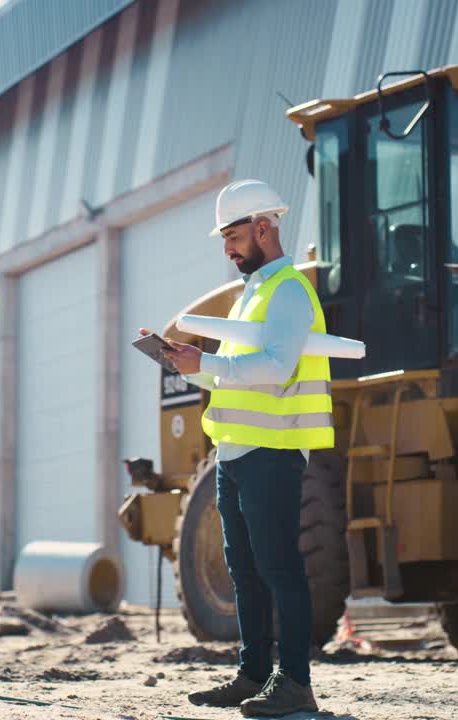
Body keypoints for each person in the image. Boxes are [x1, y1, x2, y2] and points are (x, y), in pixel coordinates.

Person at [146, 179, 334, 717]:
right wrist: (185, 360)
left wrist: (203, 363)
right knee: (245, 570)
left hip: (273, 452)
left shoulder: (291, 291)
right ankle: (253, 675)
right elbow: (233, 378)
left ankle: (295, 682)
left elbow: (275, 368)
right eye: (224, 239)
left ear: (264, 228)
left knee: (279, 567)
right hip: (235, 454)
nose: (227, 248)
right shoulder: (251, 294)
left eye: (233, 236)